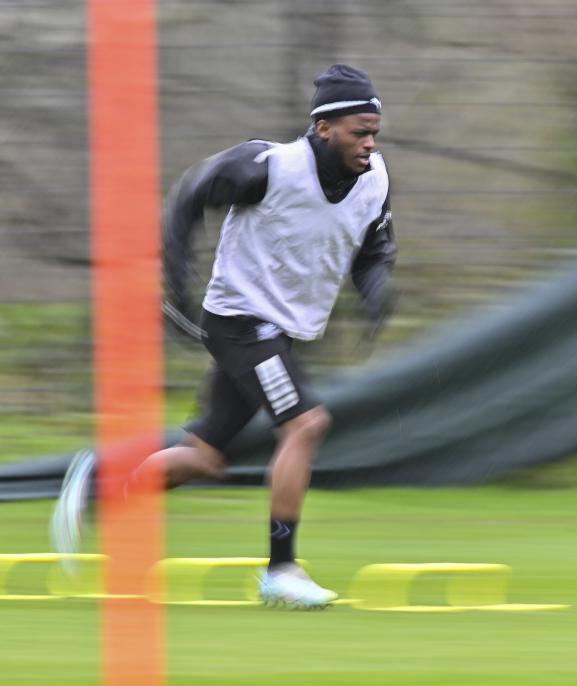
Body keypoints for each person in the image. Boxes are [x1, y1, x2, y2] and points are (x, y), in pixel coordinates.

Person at [51, 64, 397, 609]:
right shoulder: (267, 166)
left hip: (283, 329)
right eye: (360, 131)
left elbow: (375, 247)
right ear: (324, 128)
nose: (370, 143)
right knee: (306, 425)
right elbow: (189, 196)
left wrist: (375, 288)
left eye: (375, 131)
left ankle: (100, 482)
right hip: (241, 321)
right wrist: (174, 279)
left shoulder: (375, 179)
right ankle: (281, 570)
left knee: (204, 459)